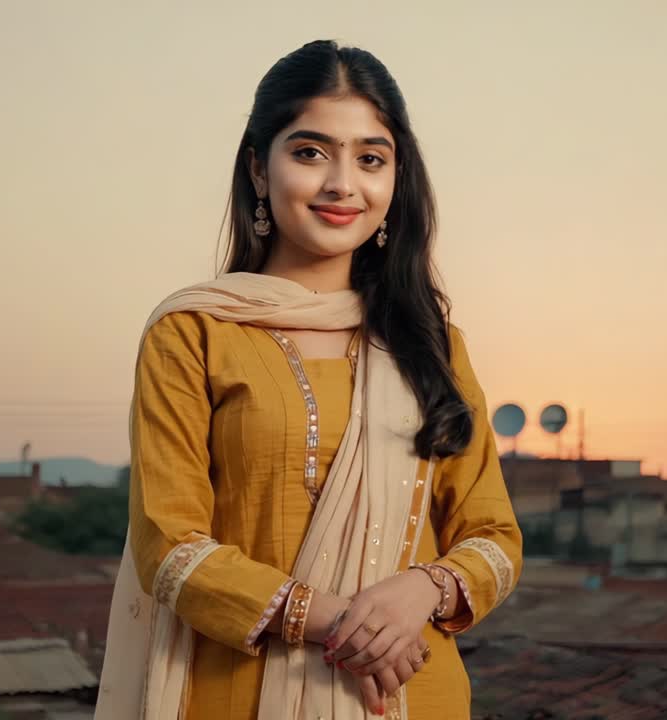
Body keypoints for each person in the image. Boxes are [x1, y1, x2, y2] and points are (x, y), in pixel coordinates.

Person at [95, 40, 522, 720]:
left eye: (370, 159)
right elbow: (168, 547)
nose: (342, 185)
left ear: (395, 178)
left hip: (417, 693)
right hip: (237, 690)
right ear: (259, 170)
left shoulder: (433, 347)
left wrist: (423, 590)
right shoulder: (194, 333)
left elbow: (493, 537)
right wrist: (333, 621)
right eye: (310, 152)